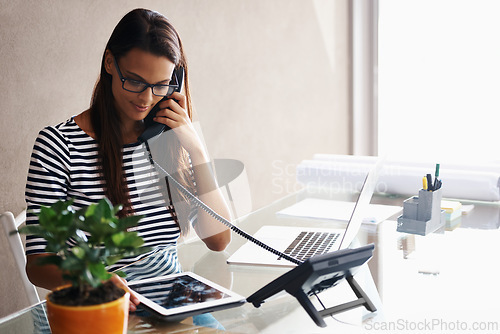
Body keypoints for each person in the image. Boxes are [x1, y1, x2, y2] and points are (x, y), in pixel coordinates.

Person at [24, 8, 231, 311]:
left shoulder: (167, 140)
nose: (147, 98)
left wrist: (197, 150)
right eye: (134, 81)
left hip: (169, 307)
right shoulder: (59, 145)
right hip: (98, 308)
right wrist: (94, 279)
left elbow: (218, 240)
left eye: (161, 85)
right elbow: (39, 264)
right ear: (110, 62)